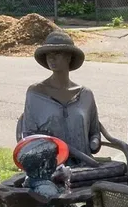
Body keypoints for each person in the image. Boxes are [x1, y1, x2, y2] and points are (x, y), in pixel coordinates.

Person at [16, 30, 103, 163]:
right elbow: (29, 136)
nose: (51, 58)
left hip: (84, 166)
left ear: (69, 57)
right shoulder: (36, 93)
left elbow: (94, 132)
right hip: (49, 168)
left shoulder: (86, 95)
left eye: (57, 53)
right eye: (48, 54)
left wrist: (94, 143)